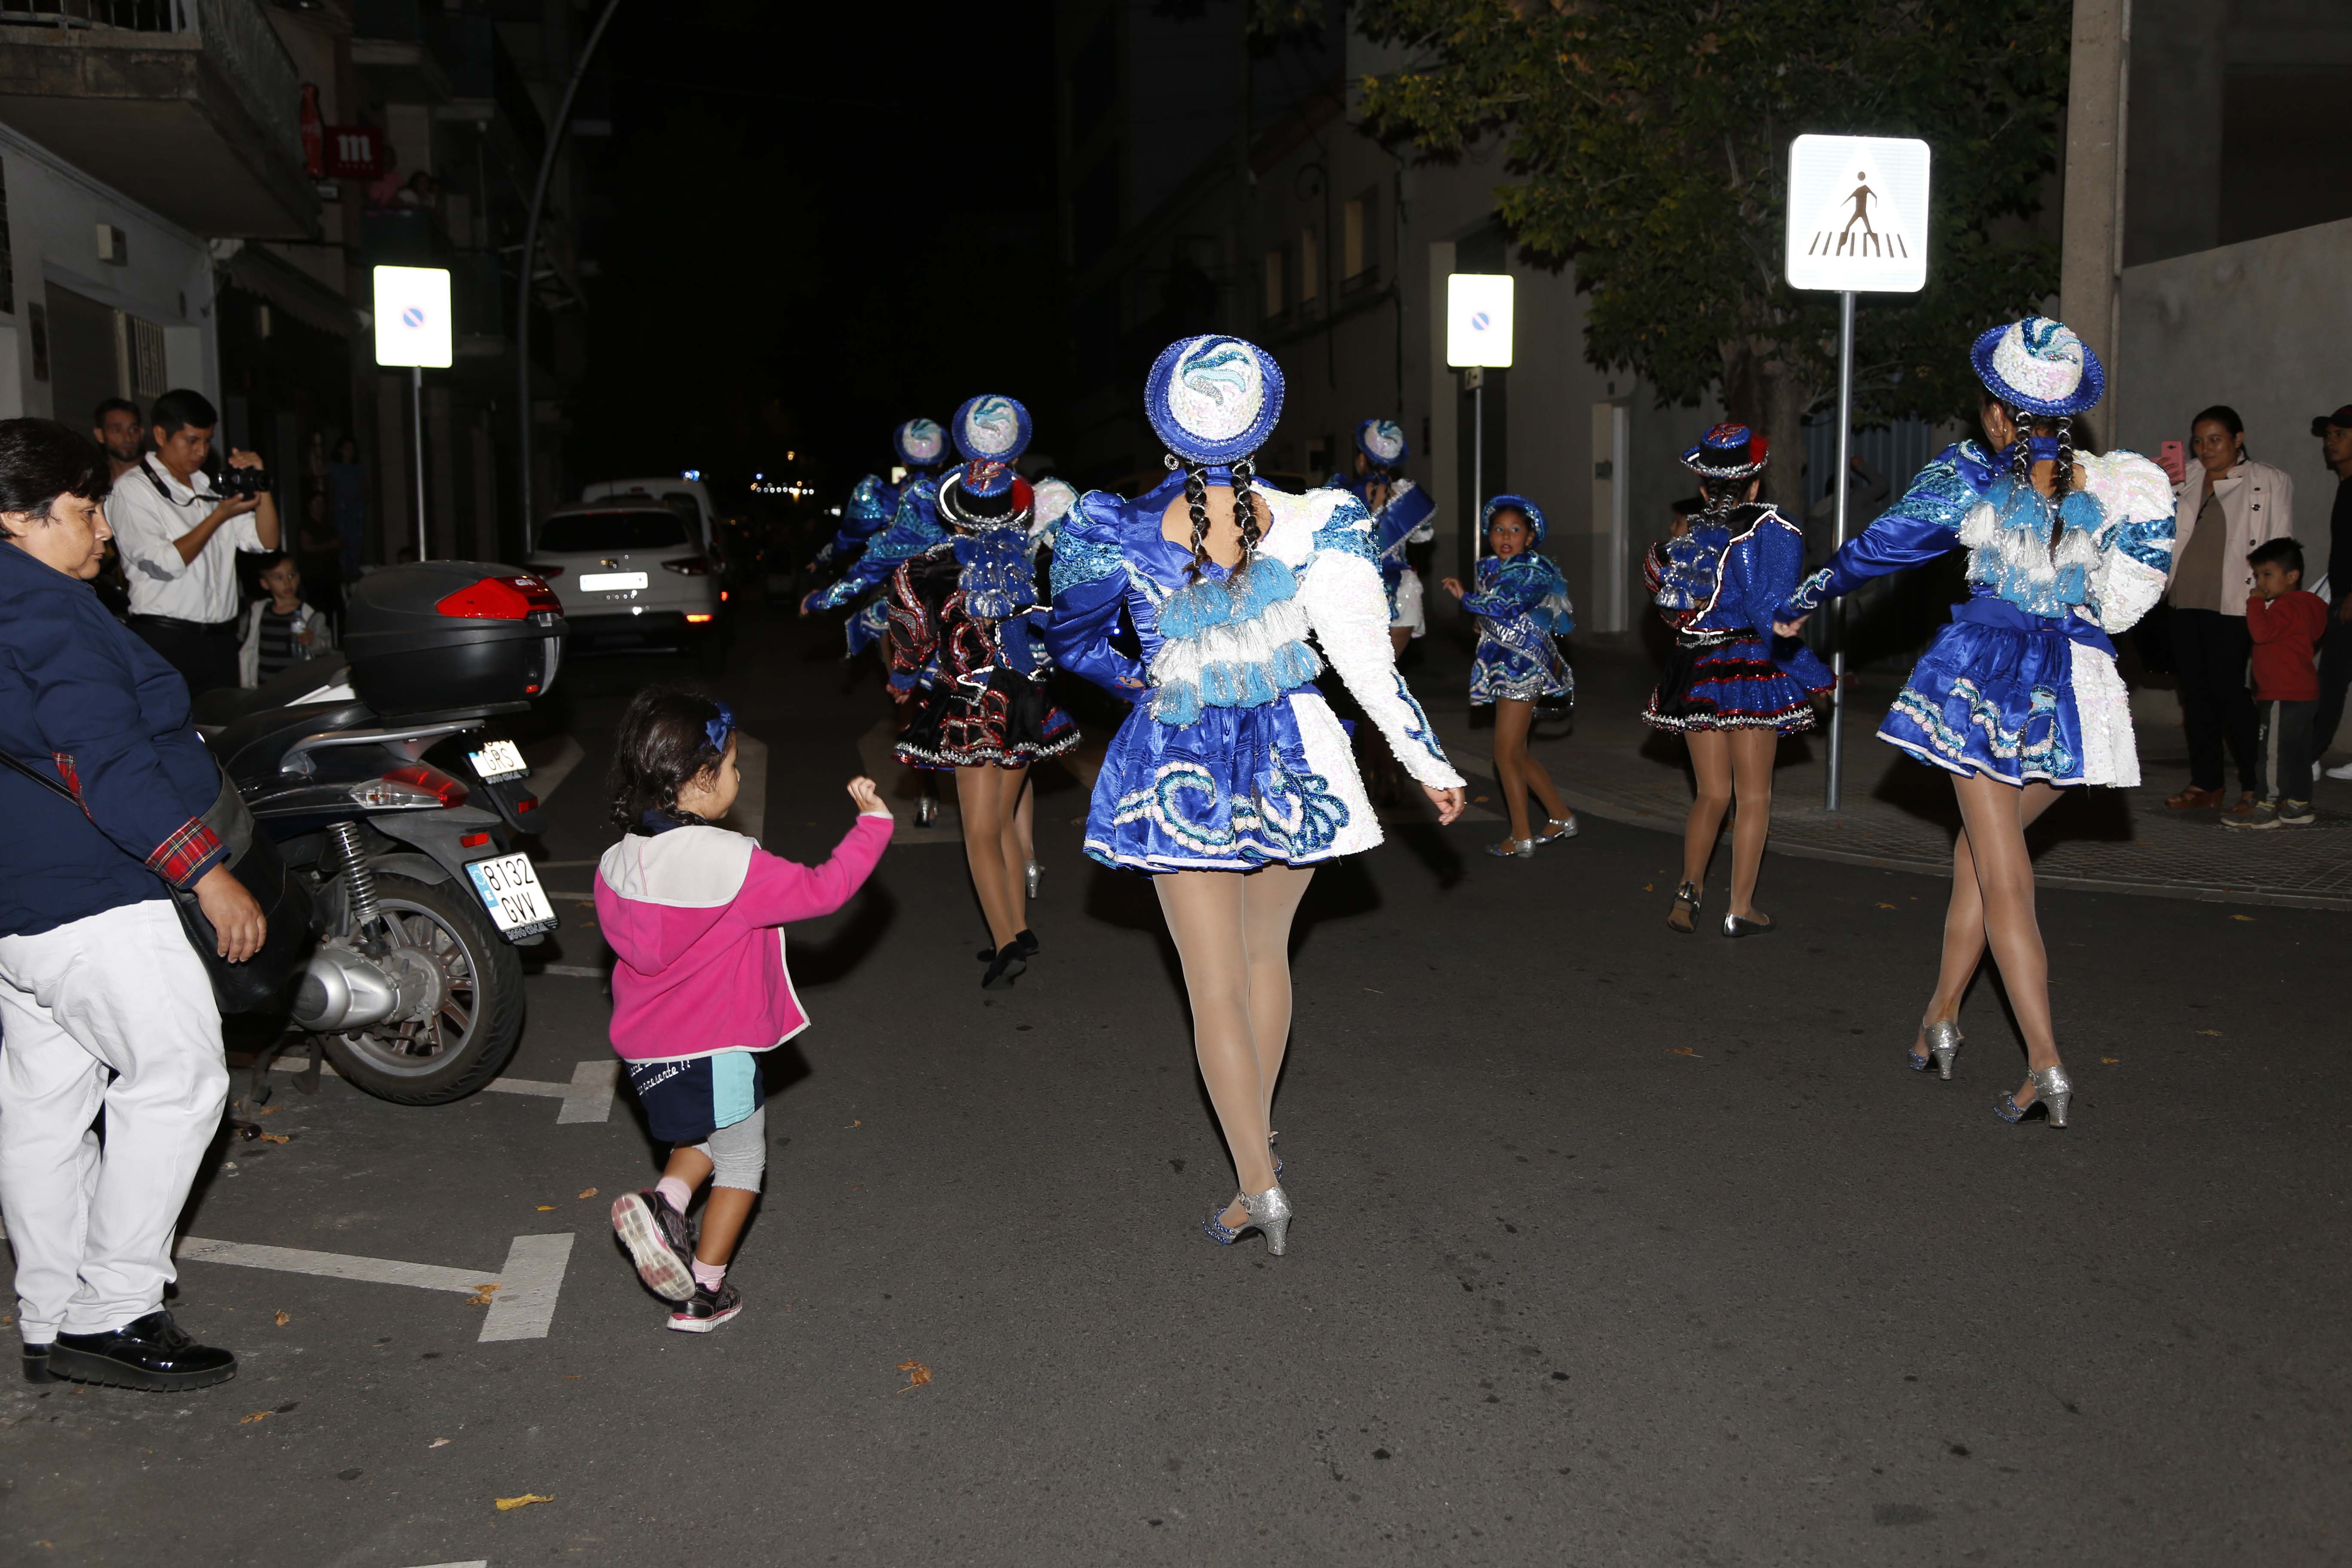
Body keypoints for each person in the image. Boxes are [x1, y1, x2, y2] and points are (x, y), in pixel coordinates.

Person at [1045, 334, 1467, 1253]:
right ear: (1260, 422)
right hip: (1297, 759)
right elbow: (1364, 654)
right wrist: (1428, 761)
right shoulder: (1321, 516)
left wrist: (1148, 677)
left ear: (1165, 424)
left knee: (1214, 989)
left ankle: (1259, 1185)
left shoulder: (1110, 525)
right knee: (1266, 960)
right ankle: (1256, 1146)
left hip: (1176, 766)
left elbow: (1071, 645)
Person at [1775, 317, 2176, 1128]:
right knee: (1976, 852)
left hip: (1991, 677)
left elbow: (1886, 544)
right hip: (2075, 686)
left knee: (2005, 879)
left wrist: (1808, 594)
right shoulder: (2110, 484)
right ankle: (1941, 1015)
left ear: (1997, 411)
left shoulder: (1971, 475)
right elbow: (2125, 598)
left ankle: (2045, 1065)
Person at [0, 417, 264, 1391]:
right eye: (82, 515)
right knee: (181, 1078)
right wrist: (202, 866)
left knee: (45, 1107)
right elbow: (101, 758)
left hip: (23, 911)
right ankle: (111, 1309)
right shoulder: (44, 611)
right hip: (96, 893)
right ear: (14, 519)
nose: (102, 534)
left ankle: (50, 1311)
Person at [595, 688, 894, 1332]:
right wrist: (873, 826)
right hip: (718, 1042)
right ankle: (704, 1290)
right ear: (700, 780)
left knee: (699, 1138)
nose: (736, 777)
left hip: (648, 1050)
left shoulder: (620, 862)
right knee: (740, 1160)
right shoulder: (729, 864)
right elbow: (824, 890)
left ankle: (667, 1202)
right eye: (732, 768)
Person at [880, 397, 1079, 989]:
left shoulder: (928, 568)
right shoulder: (1034, 563)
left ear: (954, 509)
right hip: (1024, 701)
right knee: (1007, 820)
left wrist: (898, 682)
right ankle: (1017, 924)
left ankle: (1005, 940)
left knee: (979, 832)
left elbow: (912, 640)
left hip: (967, 705)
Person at [1642, 423, 1834, 934]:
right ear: (1755, 484)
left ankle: (1689, 889)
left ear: (1705, 487)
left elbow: (1673, 612)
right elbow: (1771, 616)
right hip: (1749, 669)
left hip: (1697, 670)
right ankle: (1740, 907)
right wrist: (1816, 677)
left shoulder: (1689, 537)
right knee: (1754, 798)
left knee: (1711, 794)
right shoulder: (1773, 529)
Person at [2161, 405, 2294, 814]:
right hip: (2185, 599)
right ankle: (2207, 783)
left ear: (2238, 439)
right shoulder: (2187, 477)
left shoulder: (2269, 480)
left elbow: (2281, 545)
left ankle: (2255, 784)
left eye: (2215, 439)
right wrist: (2159, 485)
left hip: (2235, 603)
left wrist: (2270, 599)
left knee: (2230, 694)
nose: (2206, 448)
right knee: (2196, 696)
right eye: (2199, 441)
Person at [107, 389, 279, 697]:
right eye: (191, 441)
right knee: (171, 736)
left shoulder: (208, 485)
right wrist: (218, 516)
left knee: (223, 737)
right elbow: (164, 563)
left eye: (207, 441)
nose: (201, 452)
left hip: (222, 641)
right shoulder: (132, 489)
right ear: (161, 435)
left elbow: (265, 543)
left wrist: (261, 484)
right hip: (166, 640)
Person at [1440, 495, 1578, 858]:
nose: (1506, 536)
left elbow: (1508, 606)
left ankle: (1521, 836)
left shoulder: (1532, 569)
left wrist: (1466, 598)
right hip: (1502, 665)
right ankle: (1561, 818)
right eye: (1499, 529)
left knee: (1504, 755)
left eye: (1516, 530)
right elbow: (1493, 618)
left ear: (1530, 538)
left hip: (1523, 670)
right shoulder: (1491, 567)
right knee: (1518, 753)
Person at [2225, 539, 2325, 829]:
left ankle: (2265, 805)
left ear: (2292, 577)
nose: (2260, 582)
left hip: (2283, 694)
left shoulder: (2285, 606)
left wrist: (2255, 602)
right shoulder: (2308, 607)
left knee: (2271, 752)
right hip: (2304, 693)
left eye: (2268, 574)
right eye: (2257, 576)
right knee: (2297, 752)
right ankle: (2298, 804)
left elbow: (2261, 633)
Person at [1329, 418, 1438, 656]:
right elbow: (1422, 537)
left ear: (1361, 459)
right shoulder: (1407, 494)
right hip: (1402, 595)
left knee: (1360, 681)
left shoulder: (1342, 495)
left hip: (1355, 595)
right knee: (1387, 681)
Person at [2308, 406, 2352, 779]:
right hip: (2340, 598)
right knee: (2334, 678)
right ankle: (2310, 754)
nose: (2331, 442)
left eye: (2341, 434)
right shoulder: (2346, 485)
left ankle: (2309, 755)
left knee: (2333, 680)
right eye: (2329, 435)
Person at [237, 551, 335, 687]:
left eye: (291, 576)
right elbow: (244, 639)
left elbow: (327, 647)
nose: (287, 582)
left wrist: (312, 640)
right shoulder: (258, 612)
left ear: (298, 578)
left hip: (296, 687)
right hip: (265, 687)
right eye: (279, 578)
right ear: (265, 583)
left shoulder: (310, 615)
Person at [325, 435, 367, 583]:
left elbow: (363, 490)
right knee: (341, 545)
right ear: (341, 450)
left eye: (352, 449)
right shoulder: (333, 467)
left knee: (356, 544)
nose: (349, 452)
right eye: (346, 448)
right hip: (340, 512)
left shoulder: (358, 469)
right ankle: (342, 576)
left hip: (356, 513)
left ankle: (354, 574)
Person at [92, 397, 142, 482]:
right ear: (100, 435)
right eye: (117, 431)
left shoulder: (158, 476)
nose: (128, 439)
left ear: (142, 433)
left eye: (134, 430)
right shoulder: (94, 482)